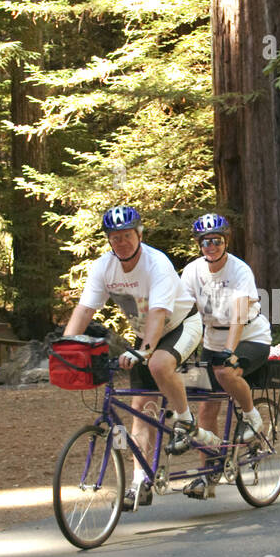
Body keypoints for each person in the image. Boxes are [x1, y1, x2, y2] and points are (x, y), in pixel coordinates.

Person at [61, 205, 208, 507]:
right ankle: (141, 481)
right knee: (140, 407)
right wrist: (67, 347)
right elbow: (85, 310)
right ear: (109, 241)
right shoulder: (104, 267)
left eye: (127, 235)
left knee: (158, 363)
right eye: (115, 238)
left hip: (180, 324)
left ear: (139, 234)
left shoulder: (157, 263)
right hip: (145, 333)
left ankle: (185, 419)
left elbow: (158, 313)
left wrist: (143, 350)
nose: (122, 242)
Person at [178, 213, 272, 499]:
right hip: (211, 338)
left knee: (224, 372)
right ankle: (208, 475)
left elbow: (240, 314)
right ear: (199, 244)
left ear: (225, 242)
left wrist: (230, 352)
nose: (211, 246)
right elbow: (184, 313)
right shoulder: (192, 271)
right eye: (205, 242)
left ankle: (252, 417)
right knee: (206, 407)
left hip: (250, 336)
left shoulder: (239, 270)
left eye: (216, 241)